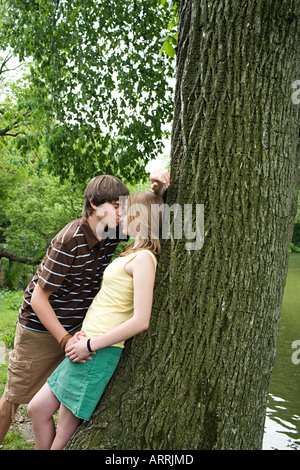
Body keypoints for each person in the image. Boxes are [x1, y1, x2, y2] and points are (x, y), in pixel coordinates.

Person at [0, 169, 170, 445]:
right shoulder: (69, 239)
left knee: (53, 410)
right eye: (116, 207)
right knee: (15, 397)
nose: (121, 214)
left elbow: (147, 218)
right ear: (94, 205)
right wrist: (66, 339)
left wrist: (158, 190)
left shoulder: (116, 232)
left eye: (123, 209)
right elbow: (37, 299)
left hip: (84, 334)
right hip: (43, 329)